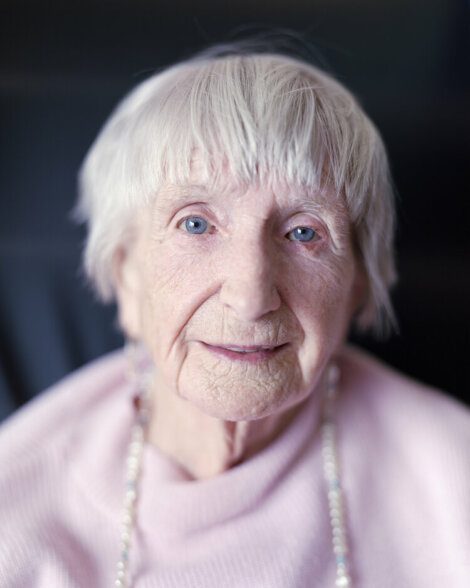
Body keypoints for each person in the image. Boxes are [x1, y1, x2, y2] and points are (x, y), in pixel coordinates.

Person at [0, 44, 468, 588]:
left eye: (303, 232)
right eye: (196, 224)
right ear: (127, 275)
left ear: (356, 284)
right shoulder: (17, 510)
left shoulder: (455, 483)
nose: (250, 297)